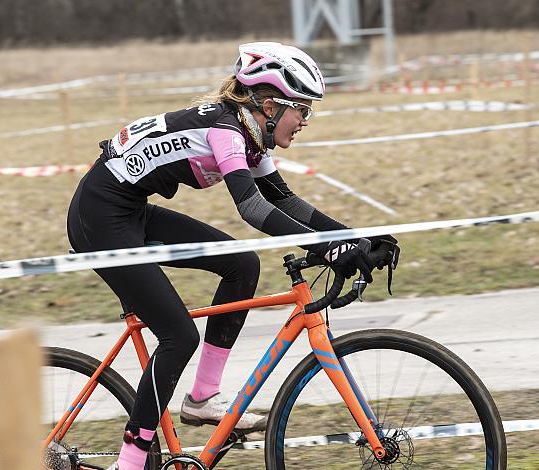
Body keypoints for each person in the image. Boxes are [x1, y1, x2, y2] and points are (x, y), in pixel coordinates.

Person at [67, 41, 397, 470]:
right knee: (179, 335)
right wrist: (328, 249)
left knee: (242, 263)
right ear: (271, 103)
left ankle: (202, 398)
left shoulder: (250, 135)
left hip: (129, 210)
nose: (305, 121)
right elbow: (253, 209)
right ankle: (129, 463)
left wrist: (356, 239)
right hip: (100, 216)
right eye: (302, 109)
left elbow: (288, 203)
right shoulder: (226, 131)